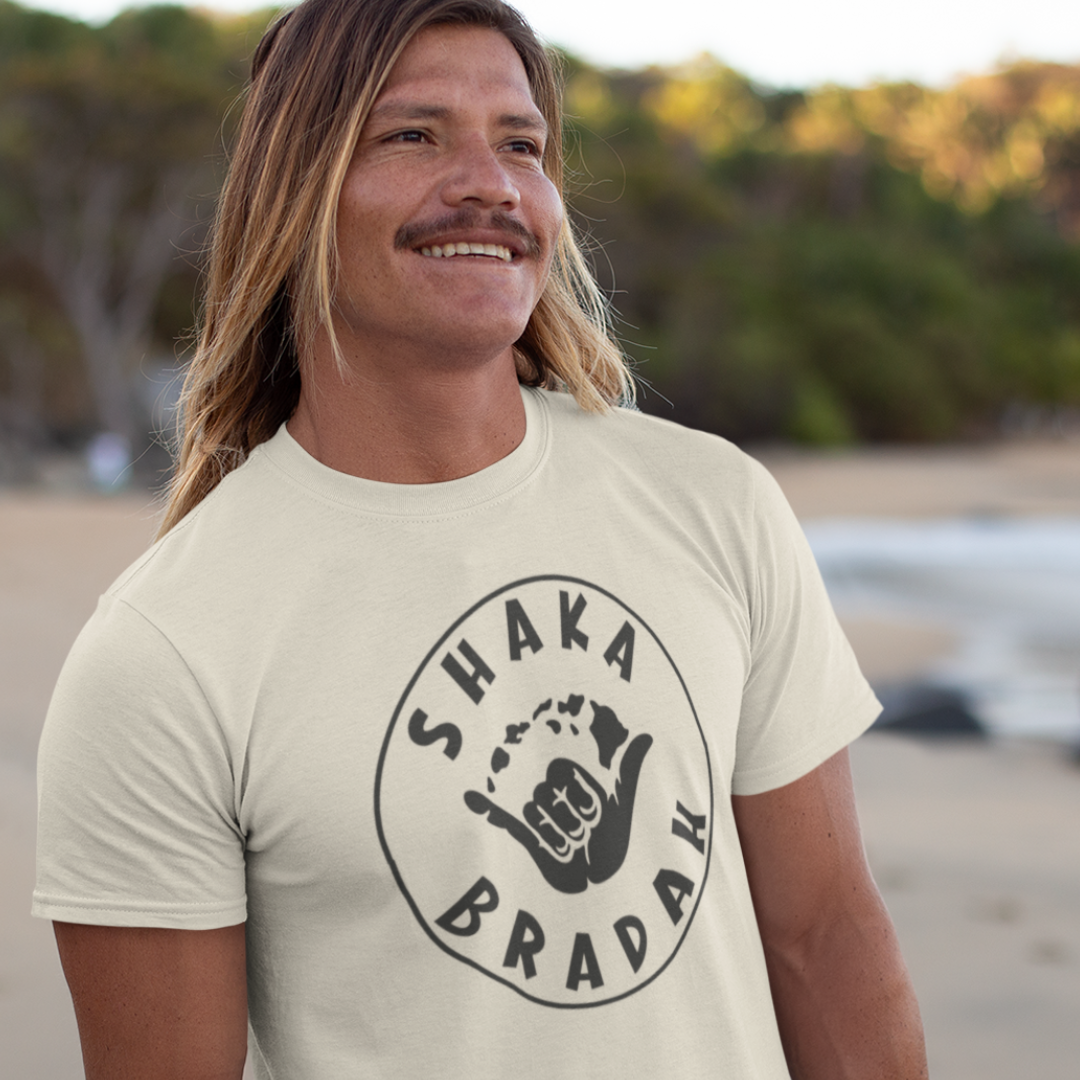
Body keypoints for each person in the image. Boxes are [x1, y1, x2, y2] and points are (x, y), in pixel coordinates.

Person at [33, 0, 928, 1077]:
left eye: (522, 145)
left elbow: (826, 936)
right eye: (414, 135)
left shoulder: (713, 504)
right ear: (297, 190)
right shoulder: (163, 651)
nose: (491, 183)